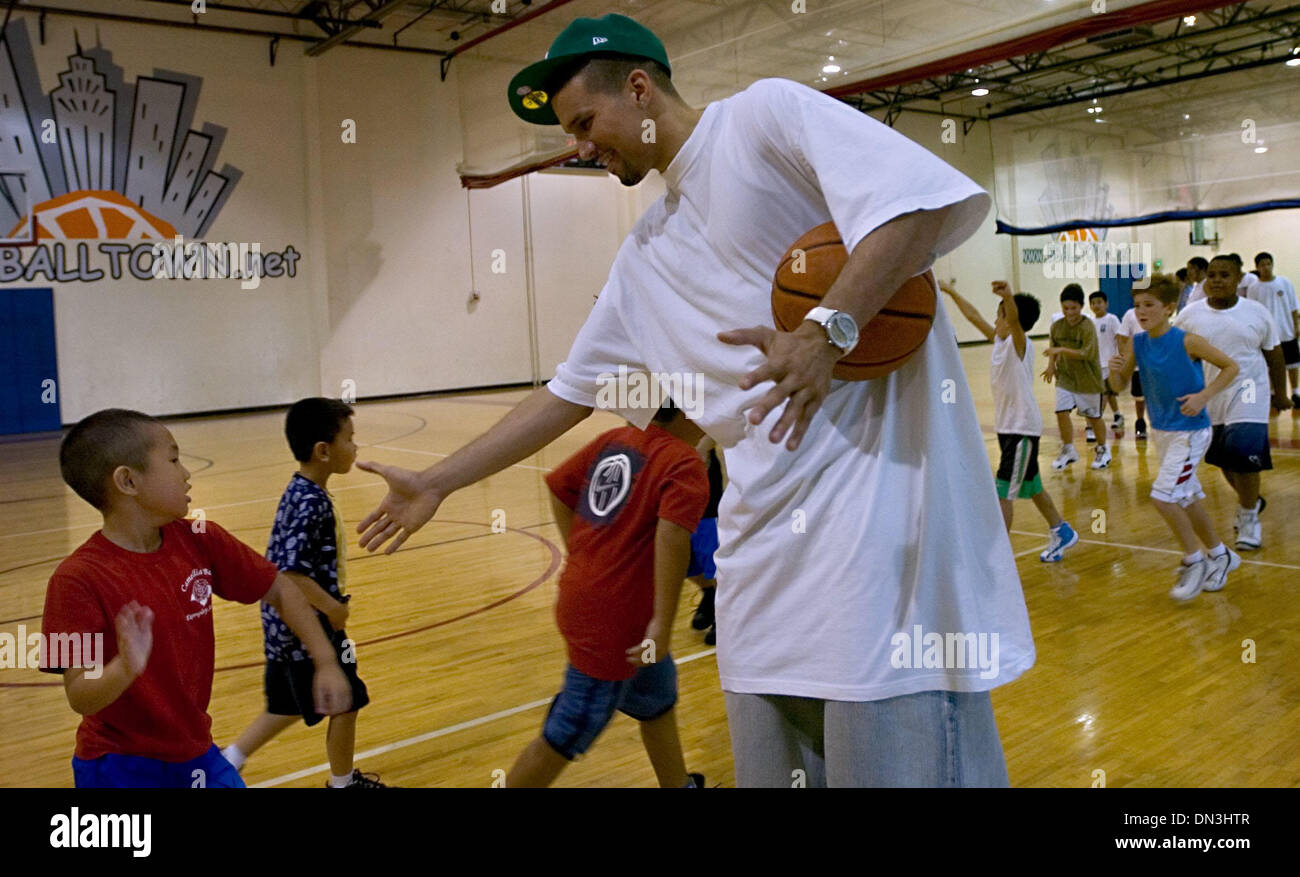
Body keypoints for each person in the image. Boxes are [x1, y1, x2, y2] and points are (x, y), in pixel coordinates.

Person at [358, 13, 1034, 787]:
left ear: (639, 87)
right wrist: (439, 478)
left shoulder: (765, 119)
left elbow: (916, 205)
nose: (580, 147)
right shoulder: (644, 257)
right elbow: (565, 395)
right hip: (762, 581)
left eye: (586, 122)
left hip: (881, 565)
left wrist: (826, 331)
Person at [40, 409, 351, 787]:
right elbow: (80, 697)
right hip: (118, 765)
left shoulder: (201, 538)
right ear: (127, 481)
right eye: (172, 459)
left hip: (195, 752)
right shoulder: (75, 580)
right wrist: (125, 667)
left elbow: (280, 587)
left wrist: (325, 660)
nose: (185, 472)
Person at [507, 402, 709, 787]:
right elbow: (672, 537)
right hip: (618, 623)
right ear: (687, 412)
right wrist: (662, 624)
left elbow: (558, 487)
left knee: (656, 698)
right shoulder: (684, 463)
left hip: (588, 602)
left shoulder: (617, 438)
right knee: (570, 727)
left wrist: (586, 560)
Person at [222, 399, 385, 788]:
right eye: (350, 439)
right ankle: (342, 784)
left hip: (282, 626)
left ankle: (230, 759)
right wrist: (333, 610)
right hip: (308, 627)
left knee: (287, 703)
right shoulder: (312, 504)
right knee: (347, 701)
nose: (356, 447)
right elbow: (290, 573)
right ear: (323, 451)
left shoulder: (300, 490)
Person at [1108, 276, 1241, 600]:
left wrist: (1203, 396)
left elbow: (1230, 367)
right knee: (1186, 497)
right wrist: (1113, 371)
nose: (1141, 311)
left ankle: (1193, 560)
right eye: (1137, 305)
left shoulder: (1187, 341)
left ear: (1169, 308)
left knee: (1164, 497)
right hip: (1163, 433)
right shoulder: (1137, 344)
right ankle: (1220, 554)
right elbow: (1119, 386)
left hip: (1191, 432)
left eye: (1149, 305)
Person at [941, 280, 1077, 561]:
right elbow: (974, 316)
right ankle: (1061, 530)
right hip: (1009, 429)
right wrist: (951, 291)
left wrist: (1008, 297)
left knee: (1003, 491)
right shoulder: (1000, 342)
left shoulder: (1020, 343)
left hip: (1021, 429)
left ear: (1011, 319)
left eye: (1000, 314)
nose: (995, 319)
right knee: (1033, 487)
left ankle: (996, 555)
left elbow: (1014, 319)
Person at [1175, 255, 1292, 550]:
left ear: (1239, 279)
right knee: (1224, 458)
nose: (1216, 280)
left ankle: (1249, 517)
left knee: (1245, 453)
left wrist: (1281, 392)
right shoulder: (1190, 314)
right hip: (1211, 393)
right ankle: (1250, 500)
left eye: (1224, 275)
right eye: (1211, 275)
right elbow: (1179, 355)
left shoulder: (1256, 311)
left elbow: (1274, 355)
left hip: (1250, 389)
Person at [1044, 284, 1111, 469]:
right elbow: (1053, 348)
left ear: (1081, 307)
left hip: (1088, 379)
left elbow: (1086, 354)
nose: (1069, 312)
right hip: (1065, 377)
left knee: (1094, 417)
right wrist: (1051, 366)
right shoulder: (1057, 326)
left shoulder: (1087, 326)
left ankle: (1103, 449)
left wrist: (1062, 349)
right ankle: (1068, 449)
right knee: (1061, 411)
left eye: (1073, 308)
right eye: (1065, 308)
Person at [1244, 251, 1300, 408]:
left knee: (1293, 363)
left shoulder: (1284, 282)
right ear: (1257, 267)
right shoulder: (1254, 288)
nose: (1266, 267)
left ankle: (1296, 392)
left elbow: (1294, 306)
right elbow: (1252, 311)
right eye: (1262, 265)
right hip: (1267, 334)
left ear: (1272, 264)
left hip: (1286, 330)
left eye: (1269, 263)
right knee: (1271, 365)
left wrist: (1296, 326)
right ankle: (1274, 393)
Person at [687, 437, 725, 646]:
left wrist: (702, 447)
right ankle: (710, 593)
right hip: (668, 465)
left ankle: (725, 615)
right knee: (683, 562)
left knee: (711, 558)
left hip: (699, 472)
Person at [1089, 290, 1124, 436]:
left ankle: (1095, 422)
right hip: (1096, 363)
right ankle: (1117, 415)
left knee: (1103, 393)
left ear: (1106, 303)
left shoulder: (1112, 319)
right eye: (1093, 303)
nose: (1096, 306)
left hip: (1110, 363)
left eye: (1099, 302)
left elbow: (1120, 338)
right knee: (1108, 394)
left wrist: (1121, 357)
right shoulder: (1090, 322)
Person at [1116, 304, 1148, 439]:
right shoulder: (1130, 314)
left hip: (1157, 362)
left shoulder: (1159, 309)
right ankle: (1140, 422)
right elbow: (1121, 336)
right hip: (1138, 364)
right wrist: (1125, 356)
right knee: (1139, 397)